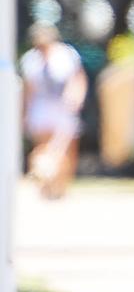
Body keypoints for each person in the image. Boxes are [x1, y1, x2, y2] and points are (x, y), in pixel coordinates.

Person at [20, 22, 88, 199]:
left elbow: (78, 78)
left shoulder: (66, 55)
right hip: (41, 108)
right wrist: (25, 112)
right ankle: (45, 183)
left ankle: (61, 185)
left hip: (63, 107)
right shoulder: (31, 60)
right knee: (43, 147)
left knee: (65, 149)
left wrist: (76, 98)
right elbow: (29, 89)